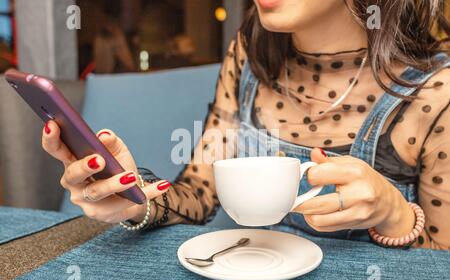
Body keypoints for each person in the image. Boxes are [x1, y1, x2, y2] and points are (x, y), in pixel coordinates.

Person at [42, 0, 450, 250]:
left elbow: (441, 267)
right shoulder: (248, 55)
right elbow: (200, 194)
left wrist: (396, 216)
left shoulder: (436, 92)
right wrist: (135, 197)